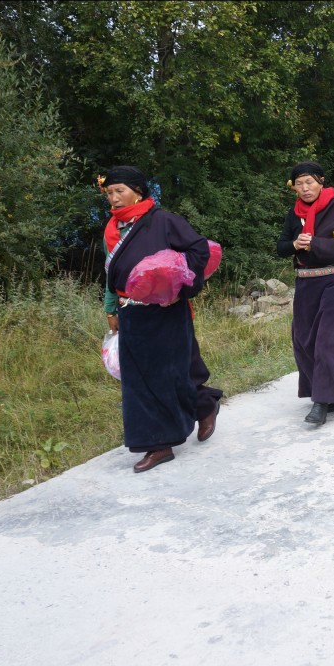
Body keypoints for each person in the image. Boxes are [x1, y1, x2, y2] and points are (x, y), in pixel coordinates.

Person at [101, 165, 216, 473]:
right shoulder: (112, 230)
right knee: (139, 382)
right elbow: (109, 273)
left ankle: (201, 408)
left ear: (138, 191)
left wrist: (183, 289)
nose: (113, 198)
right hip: (131, 313)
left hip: (166, 310)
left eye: (119, 191)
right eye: (109, 193)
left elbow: (198, 250)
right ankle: (158, 444)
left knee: (173, 373)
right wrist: (111, 309)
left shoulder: (163, 221)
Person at [277, 162, 334, 426]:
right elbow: (281, 247)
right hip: (306, 283)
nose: (305, 188)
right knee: (304, 340)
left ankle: (322, 401)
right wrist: (294, 244)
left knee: (329, 340)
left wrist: (317, 244)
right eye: (299, 184)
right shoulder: (294, 215)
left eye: (310, 182)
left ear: (321, 182)